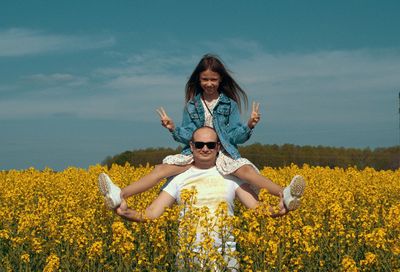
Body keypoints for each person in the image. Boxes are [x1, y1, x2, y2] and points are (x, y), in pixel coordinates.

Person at [99, 54, 305, 211]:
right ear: (198, 80)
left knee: (246, 172)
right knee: (160, 170)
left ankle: (284, 194)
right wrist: (172, 128)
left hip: (223, 152)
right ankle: (119, 194)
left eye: (213, 80)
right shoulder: (192, 106)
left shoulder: (229, 104)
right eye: (205, 79)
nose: (209, 84)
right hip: (196, 151)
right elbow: (187, 134)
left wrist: (249, 125)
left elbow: (235, 136)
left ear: (220, 80)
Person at [100, 127, 289, 270]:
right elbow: (152, 213)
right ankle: (119, 195)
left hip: (225, 256)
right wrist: (126, 212)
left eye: (210, 145)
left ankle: (287, 195)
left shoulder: (231, 177)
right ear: (191, 147)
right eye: (199, 145)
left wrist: (279, 210)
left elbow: (256, 208)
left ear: (218, 147)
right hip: (188, 255)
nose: (204, 149)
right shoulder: (178, 179)